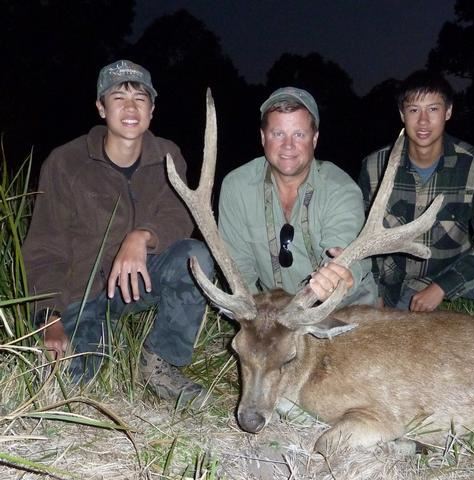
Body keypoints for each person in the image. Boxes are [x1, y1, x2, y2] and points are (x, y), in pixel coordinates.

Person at [23, 59, 214, 404]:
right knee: (73, 386)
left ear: (152, 110)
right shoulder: (66, 163)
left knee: (194, 257)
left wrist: (142, 236)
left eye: (140, 99)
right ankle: (97, 340)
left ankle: (161, 363)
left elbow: (178, 214)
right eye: (118, 98)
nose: (130, 108)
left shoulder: (168, 156)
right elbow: (45, 249)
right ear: (101, 107)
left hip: (139, 281)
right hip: (81, 295)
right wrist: (49, 320)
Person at [358, 70, 474, 337]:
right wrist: (377, 295)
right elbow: (363, 241)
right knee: (390, 343)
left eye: (433, 109)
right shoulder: (375, 167)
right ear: (402, 114)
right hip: (401, 280)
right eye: (414, 110)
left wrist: (442, 287)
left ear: (448, 112)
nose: (423, 121)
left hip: (457, 265)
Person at [218, 87, 377, 305]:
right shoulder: (237, 187)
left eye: (299, 134)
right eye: (278, 134)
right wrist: (254, 313)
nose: (288, 145)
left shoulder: (340, 188)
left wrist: (341, 274)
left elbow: (345, 251)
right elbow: (238, 269)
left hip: (340, 304)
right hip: (276, 310)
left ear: (315, 139)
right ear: (263, 137)